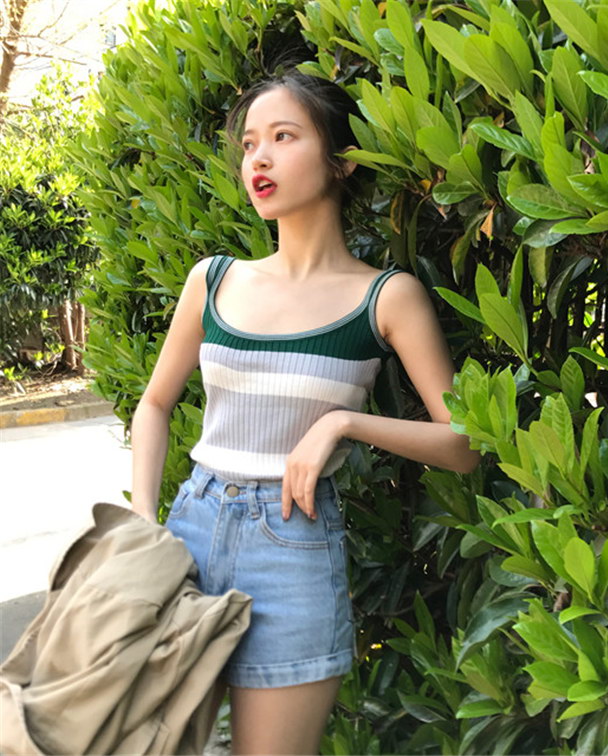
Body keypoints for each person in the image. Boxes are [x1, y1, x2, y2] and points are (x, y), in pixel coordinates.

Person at [129, 68, 480, 755]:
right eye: (249, 144)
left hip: (291, 549)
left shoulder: (385, 297)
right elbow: (154, 402)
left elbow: (464, 444)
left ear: (341, 160)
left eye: (283, 137)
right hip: (188, 532)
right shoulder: (214, 280)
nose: (257, 158)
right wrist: (143, 520)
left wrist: (343, 423)